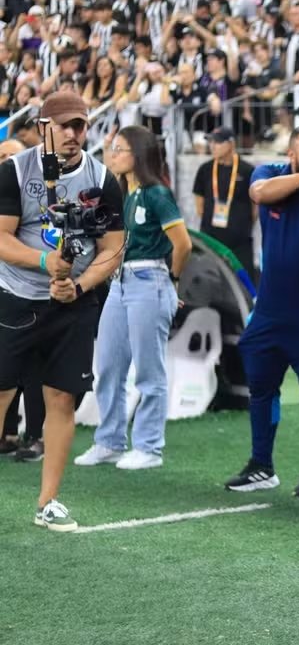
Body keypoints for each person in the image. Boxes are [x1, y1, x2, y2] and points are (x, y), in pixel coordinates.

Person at [0, 91, 125, 532]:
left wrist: (81, 284)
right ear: (43, 126)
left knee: (61, 398)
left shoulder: (103, 178)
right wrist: (42, 262)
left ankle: (48, 501)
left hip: (73, 304)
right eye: (65, 125)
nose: (74, 134)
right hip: (15, 298)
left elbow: (113, 247)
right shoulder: (14, 171)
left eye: (81, 125)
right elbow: (1, 237)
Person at [224, 125, 299, 499]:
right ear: (291, 154)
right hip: (269, 312)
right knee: (261, 388)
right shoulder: (269, 175)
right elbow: (258, 194)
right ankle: (262, 465)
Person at [75, 125, 191, 470]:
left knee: (148, 370)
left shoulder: (157, 193)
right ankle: (109, 441)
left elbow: (182, 244)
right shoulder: (122, 193)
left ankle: (149, 447)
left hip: (149, 279)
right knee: (109, 366)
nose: (112, 154)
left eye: (119, 149)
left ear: (137, 155)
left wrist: (171, 280)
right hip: (121, 283)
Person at [192, 126, 257, 283]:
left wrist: (242, 226)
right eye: (211, 142)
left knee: (244, 286)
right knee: (209, 284)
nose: (212, 146)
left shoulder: (247, 170)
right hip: (211, 240)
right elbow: (199, 205)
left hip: (239, 243)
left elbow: (255, 208)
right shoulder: (205, 169)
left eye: (218, 142)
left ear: (231, 144)